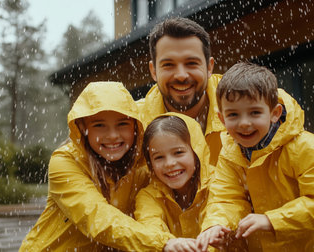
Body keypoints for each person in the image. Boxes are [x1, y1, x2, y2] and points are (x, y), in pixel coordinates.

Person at [196, 62, 314, 251]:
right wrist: (215, 224)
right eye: (233, 115)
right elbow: (226, 199)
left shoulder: (305, 147)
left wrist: (271, 220)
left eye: (254, 112)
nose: (244, 123)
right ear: (222, 119)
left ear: (274, 113)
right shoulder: (230, 155)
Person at [20, 82, 176, 251]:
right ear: (83, 127)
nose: (113, 136)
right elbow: (98, 219)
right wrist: (163, 242)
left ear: (135, 127)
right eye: (99, 125)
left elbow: (153, 213)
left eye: (123, 124)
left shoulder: (143, 166)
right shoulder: (64, 161)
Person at [137, 17, 224, 166]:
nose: (181, 75)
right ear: (153, 71)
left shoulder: (247, 105)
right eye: (168, 65)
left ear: (209, 67)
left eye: (191, 63)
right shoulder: (133, 122)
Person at [134, 113, 215, 252]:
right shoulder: (148, 195)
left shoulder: (219, 182)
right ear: (150, 163)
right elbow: (149, 226)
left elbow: (220, 216)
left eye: (178, 152)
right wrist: (168, 244)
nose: (170, 164)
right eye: (159, 157)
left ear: (196, 152)